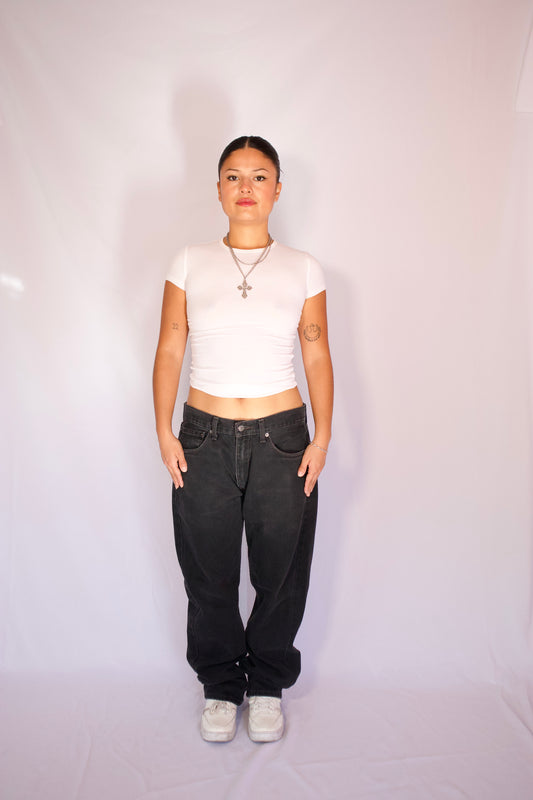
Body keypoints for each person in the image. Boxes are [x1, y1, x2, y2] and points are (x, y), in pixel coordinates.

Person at [153, 135, 333, 743]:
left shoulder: (303, 267)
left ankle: (267, 686)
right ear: (219, 190)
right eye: (234, 176)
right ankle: (221, 685)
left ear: (277, 189)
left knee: (281, 569)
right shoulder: (188, 261)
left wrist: (322, 436)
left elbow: (317, 354)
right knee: (208, 570)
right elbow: (170, 347)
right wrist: (163, 429)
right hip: (202, 436)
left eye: (259, 176)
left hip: (283, 438)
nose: (247, 187)